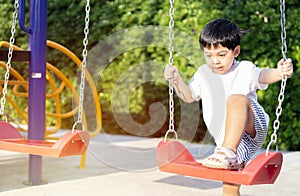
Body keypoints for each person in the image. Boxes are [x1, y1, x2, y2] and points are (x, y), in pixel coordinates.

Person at [164, 18, 293, 196]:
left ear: (236, 51)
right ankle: (227, 152)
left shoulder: (245, 70)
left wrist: (279, 73)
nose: (215, 61)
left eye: (221, 55)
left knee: (236, 99)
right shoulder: (203, 74)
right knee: (230, 188)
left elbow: (263, 75)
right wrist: (176, 80)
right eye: (209, 56)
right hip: (230, 140)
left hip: (253, 126)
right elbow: (188, 96)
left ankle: (227, 151)